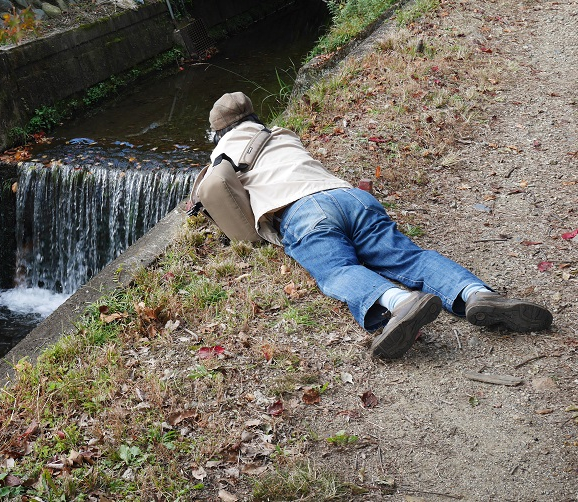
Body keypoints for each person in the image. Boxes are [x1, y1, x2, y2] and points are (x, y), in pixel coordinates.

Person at [201, 92, 552, 359]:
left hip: (302, 212)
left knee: (338, 270)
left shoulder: (223, 156)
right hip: (350, 197)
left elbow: (216, 191)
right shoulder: (281, 133)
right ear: (254, 116)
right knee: (410, 258)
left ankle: (400, 303)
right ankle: (476, 294)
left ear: (219, 133)